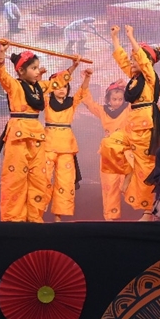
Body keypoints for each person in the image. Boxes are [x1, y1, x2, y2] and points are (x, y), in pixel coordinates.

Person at [0, 42, 79, 222]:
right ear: (21, 71)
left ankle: (34, 218)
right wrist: (1, 56)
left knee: (38, 179)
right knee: (15, 179)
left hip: (37, 137)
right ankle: (14, 220)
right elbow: (1, 76)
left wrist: (72, 67)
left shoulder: (39, 88)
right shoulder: (14, 85)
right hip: (19, 135)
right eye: (33, 68)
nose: (37, 71)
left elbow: (56, 82)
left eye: (37, 67)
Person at [111, 24, 160, 220]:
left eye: (136, 58)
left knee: (146, 169)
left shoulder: (150, 78)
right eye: (132, 58)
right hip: (131, 127)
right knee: (109, 145)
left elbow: (142, 61)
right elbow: (122, 60)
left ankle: (148, 210)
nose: (132, 61)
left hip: (145, 128)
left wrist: (131, 37)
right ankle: (128, 172)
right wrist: (115, 38)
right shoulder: (134, 79)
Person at [43, 67, 92, 222]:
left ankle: (58, 216)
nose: (62, 89)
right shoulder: (46, 101)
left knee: (64, 181)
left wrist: (87, 78)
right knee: (43, 179)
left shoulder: (71, 103)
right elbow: (41, 90)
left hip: (66, 147)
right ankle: (36, 213)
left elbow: (82, 92)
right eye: (58, 86)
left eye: (65, 86)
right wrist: (41, 77)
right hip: (48, 144)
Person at [80, 78, 131, 220]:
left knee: (128, 185)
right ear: (108, 99)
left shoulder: (128, 108)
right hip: (108, 153)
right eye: (114, 99)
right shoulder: (103, 111)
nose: (117, 102)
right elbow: (88, 102)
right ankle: (110, 217)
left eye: (120, 99)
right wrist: (86, 80)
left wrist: (127, 86)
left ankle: (142, 212)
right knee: (109, 185)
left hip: (125, 152)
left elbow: (140, 100)